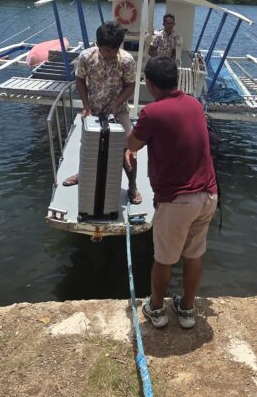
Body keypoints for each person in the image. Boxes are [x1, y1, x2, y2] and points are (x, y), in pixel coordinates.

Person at [126, 55, 218, 329]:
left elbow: (132, 142)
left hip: (178, 201)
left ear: (150, 84)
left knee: (163, 259)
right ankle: (187, 310)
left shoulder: (151, 113)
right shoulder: (194, 103)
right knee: (194, 255)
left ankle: (156, 309)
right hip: (208, 195)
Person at [62, 21, 141, 205]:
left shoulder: (127, 60)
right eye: (107, 49)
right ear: (98, 45)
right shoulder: (86, 56)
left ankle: (132, 185)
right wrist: (86, 105)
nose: (111, 53)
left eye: (115, 49)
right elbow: (80, 79)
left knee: (127, 149)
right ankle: (83, 174)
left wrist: (117, 102)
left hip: (118, 110)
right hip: (94, 109)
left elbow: (130, 85)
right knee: (89, 146)